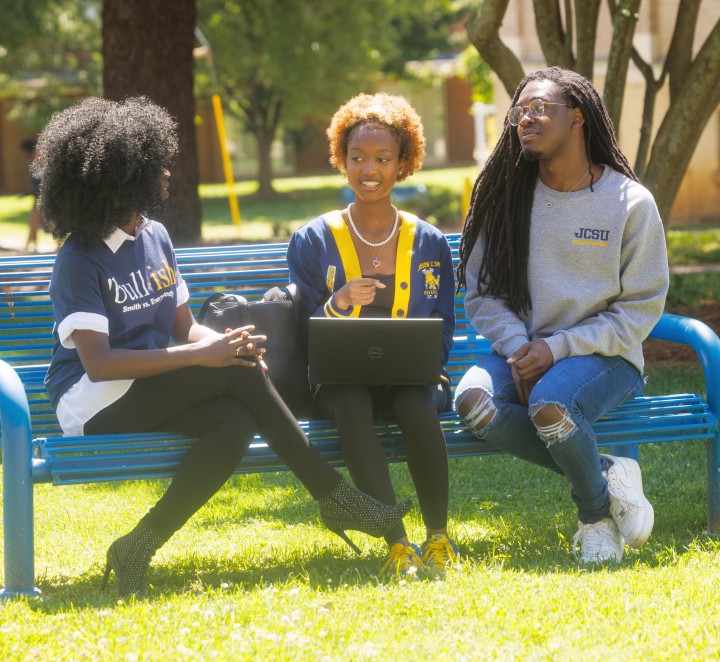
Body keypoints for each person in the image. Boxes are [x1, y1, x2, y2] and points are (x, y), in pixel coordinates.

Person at [33, 96, 411, 596]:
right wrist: (205, 357)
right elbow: (99, 365)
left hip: (145, 383)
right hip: (90, 399)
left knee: (233, 421)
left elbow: (186, 327)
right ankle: (334, 495)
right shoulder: (81, 259)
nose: (167, 172)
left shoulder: (155, 237)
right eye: (155, 164)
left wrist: (225, 342)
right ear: (122, 178)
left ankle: (136, 546)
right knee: (233, 374)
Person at [454, 67, 669, 563]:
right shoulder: (504, 200)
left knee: (550, 403)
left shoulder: (629, 203)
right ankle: (607, 471)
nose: (525, 119)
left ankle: (593, 518)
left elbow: (641, 307)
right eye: (519, 111)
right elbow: (483, 294)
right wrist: (519, 348)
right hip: (522, 353)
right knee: (471, 401)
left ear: (577, 117)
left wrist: (556, 349)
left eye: (539, 109)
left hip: (606, 355)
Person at [287, 93, 458, 576]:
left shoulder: (428, 240)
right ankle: (397, 544)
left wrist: (426, 362)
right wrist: (339, 304)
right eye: (358, 157)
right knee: (351, 403)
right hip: (341, 380)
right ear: (342, 159)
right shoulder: (313, 239)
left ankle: (439, 537)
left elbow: (443, 321)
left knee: (415, 403)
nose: (369, 170)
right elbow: (303, 329)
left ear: (403, 163)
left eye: (383, 159)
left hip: (412, 377)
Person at [21, 138, 46, 253]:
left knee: (48, 224)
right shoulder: (34, 165)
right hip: (38, 198)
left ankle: (28, 246)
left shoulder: (44, 166)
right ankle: (31, 246)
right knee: (34, 222)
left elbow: (42, 185)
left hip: (44, 199)